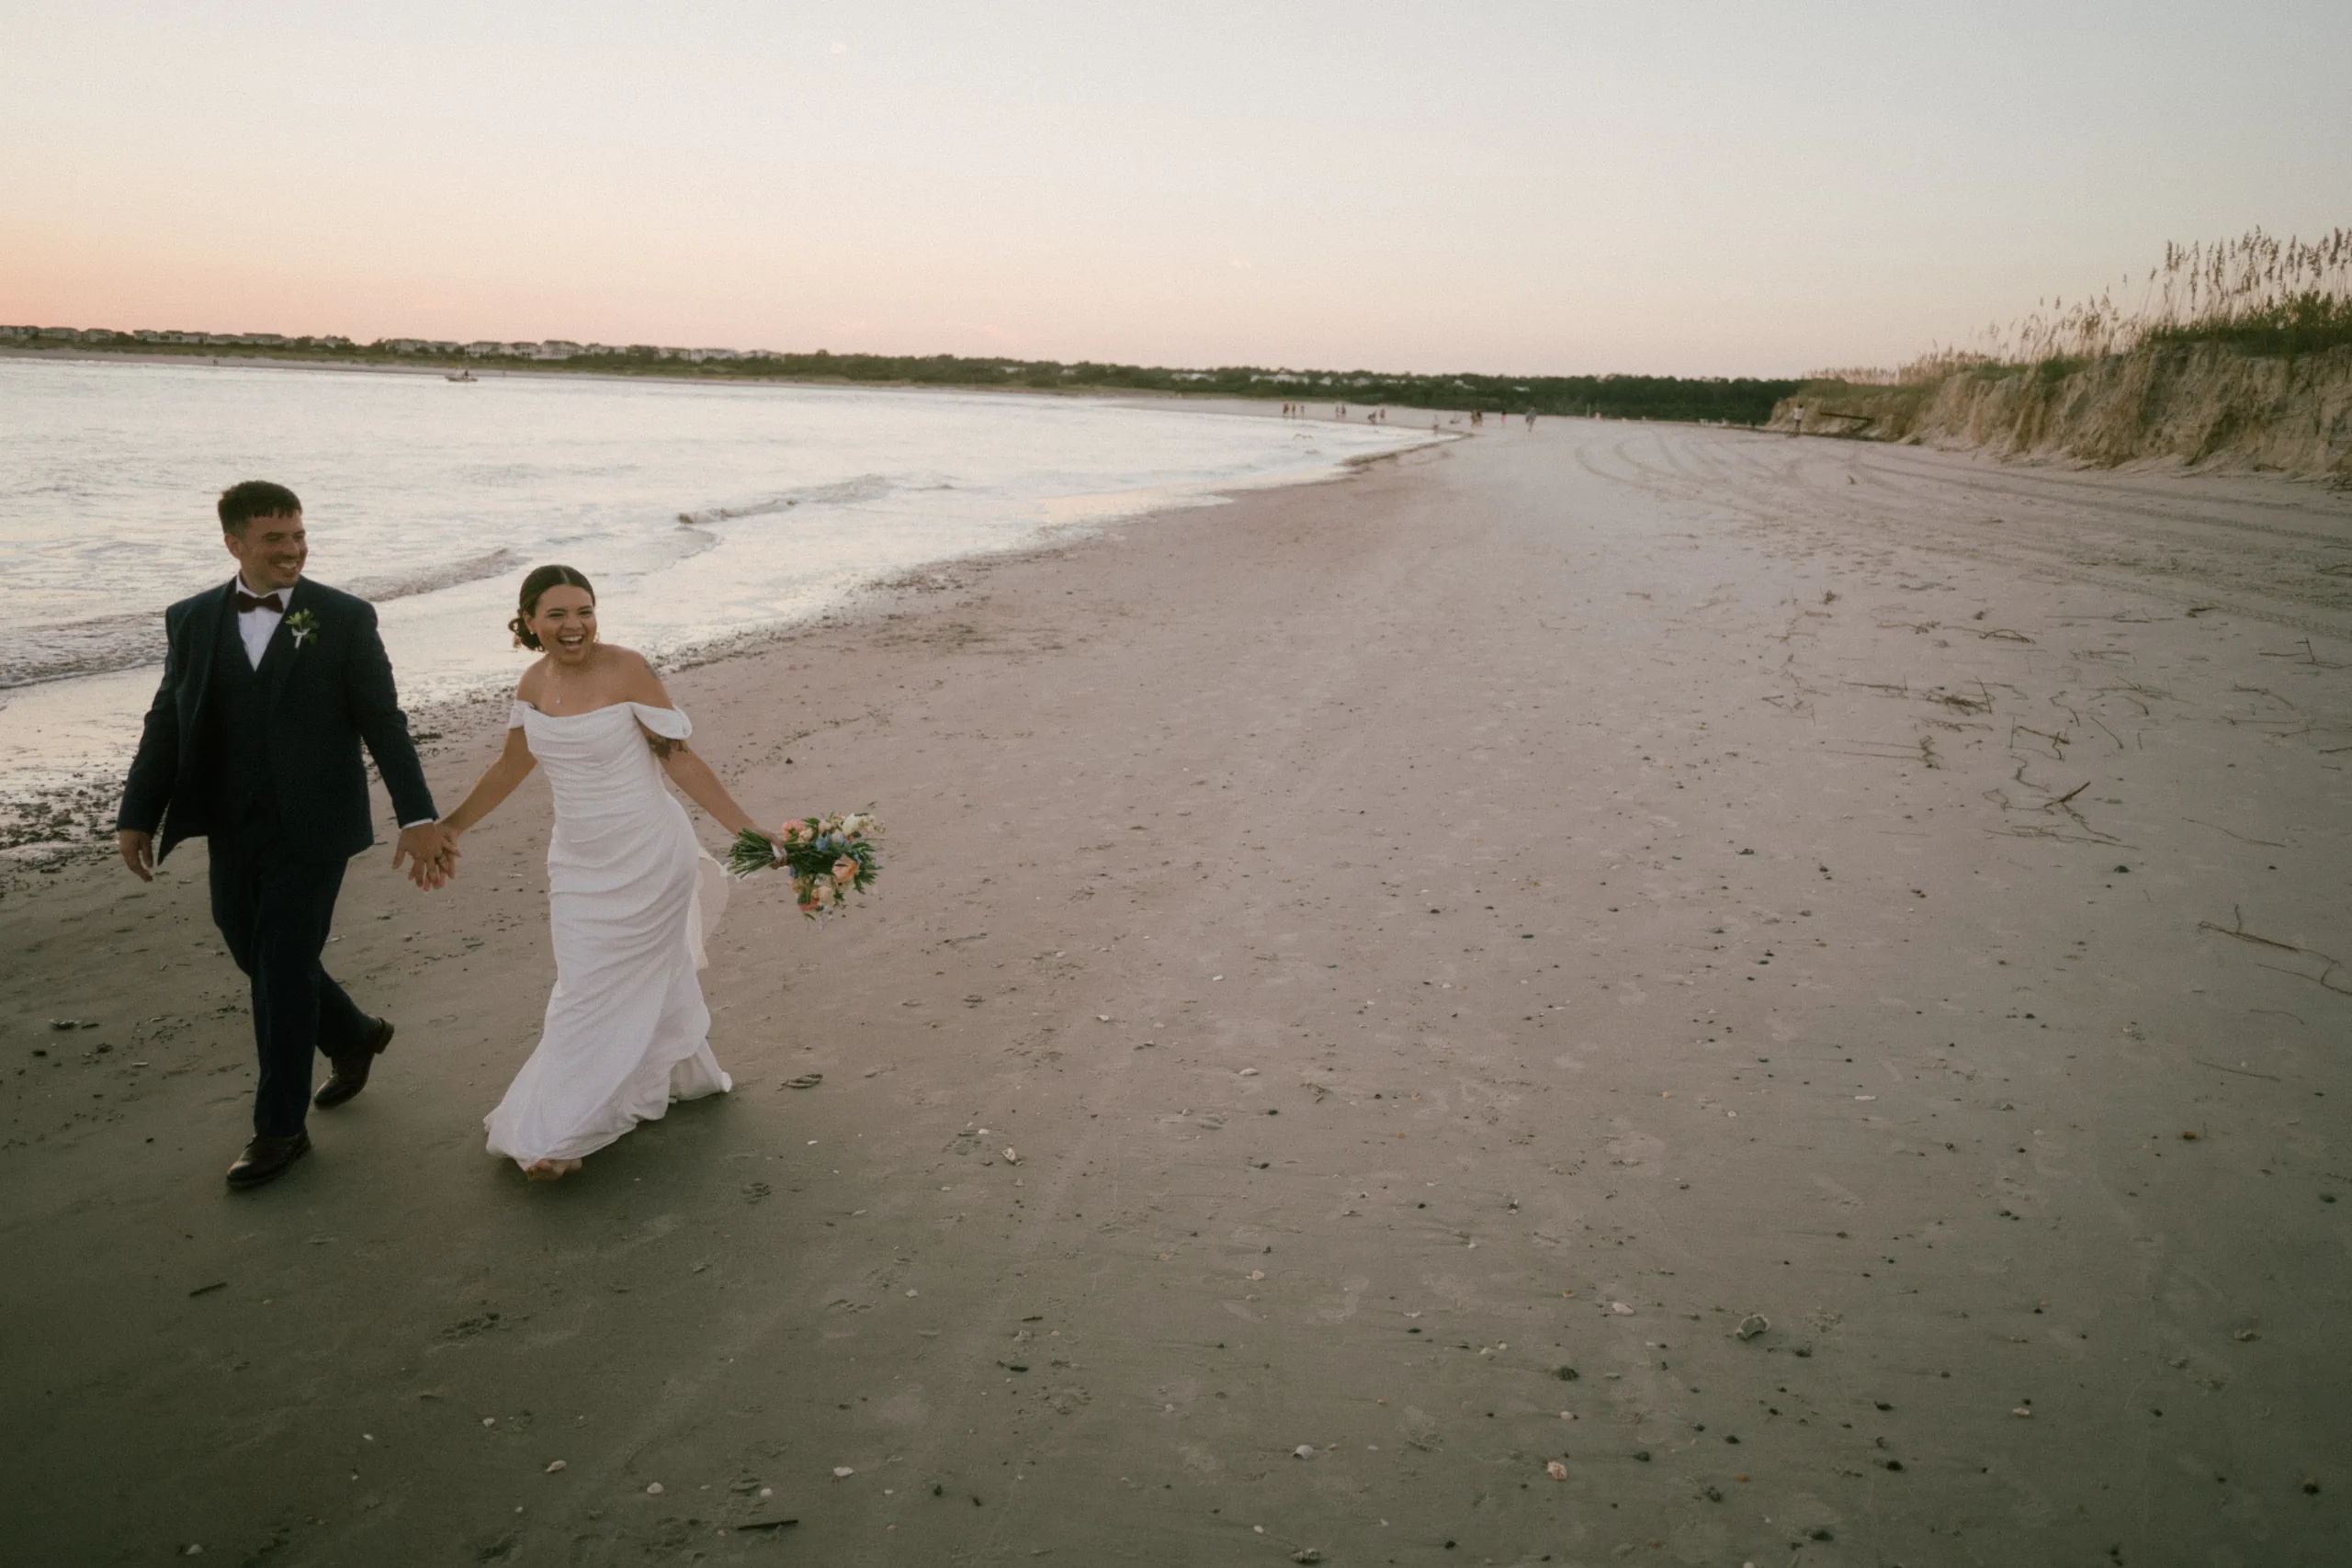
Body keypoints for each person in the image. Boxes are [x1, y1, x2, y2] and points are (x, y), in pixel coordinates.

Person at [116, 481, 456, 1190]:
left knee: (278, 966)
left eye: (299, 535)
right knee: (254, 949)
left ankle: (280, 1129)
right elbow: (169, 719)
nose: (293, 550)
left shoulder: (344, 617)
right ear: (234, 543)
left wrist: (418, 817)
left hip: (316, 828)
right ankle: (355, 1033)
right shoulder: (189, 618)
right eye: (275, 538)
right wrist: (137, 811)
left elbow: (383, 722)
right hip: (229, 821)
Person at [437, 566, 782, 1180]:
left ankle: (562, 1130)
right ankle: (678, 1070)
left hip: (649, 854)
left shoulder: (628, 668)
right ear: (529, 620)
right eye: (559, 614)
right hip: (577, 860)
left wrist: (748, 829)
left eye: (585, 611)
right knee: (591, 975)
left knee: (588, 992)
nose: (575, 626)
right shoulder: (533, 681)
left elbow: (678, 757)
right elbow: (510, 767)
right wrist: (450, 826)